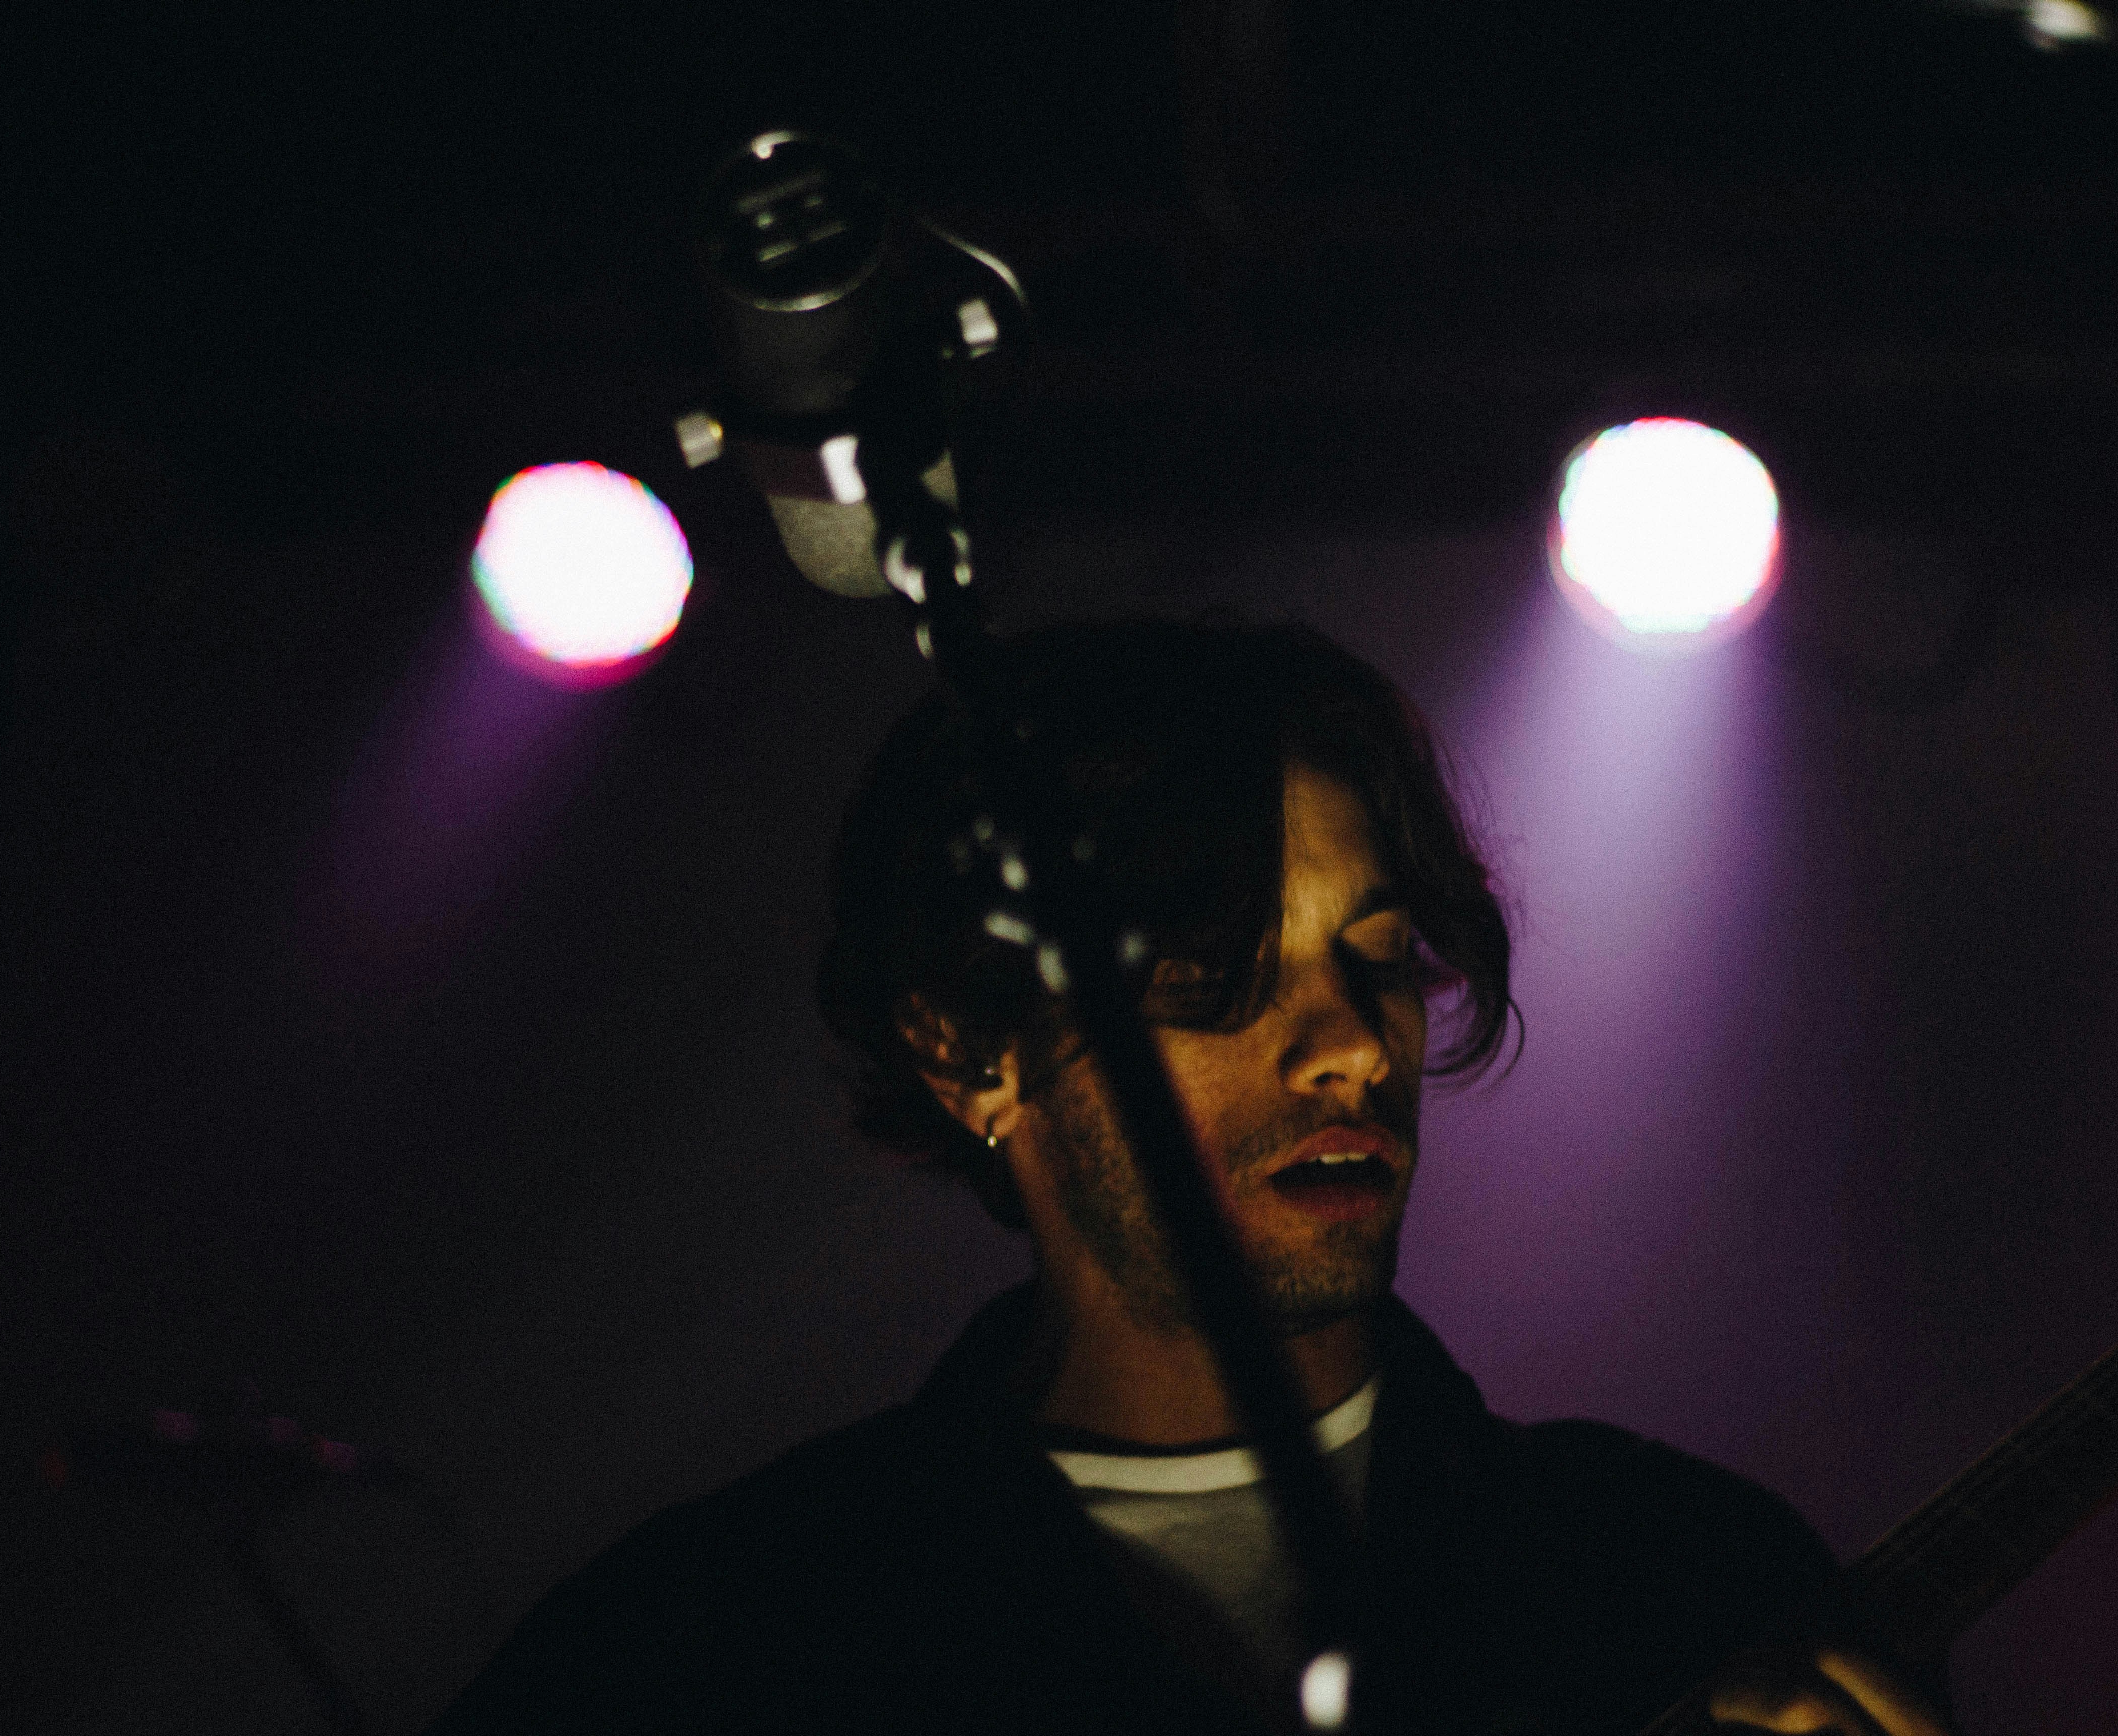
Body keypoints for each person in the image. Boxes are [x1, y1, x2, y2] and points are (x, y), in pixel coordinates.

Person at [428, 621, 1954, 1735]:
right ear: (968, 1052)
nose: (1349, 1046)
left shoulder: (1675, 1577)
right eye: (1217, 973)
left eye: (1378, 956)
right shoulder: (721, 1642)